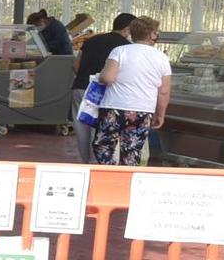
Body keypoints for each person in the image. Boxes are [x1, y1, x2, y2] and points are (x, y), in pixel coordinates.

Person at [94, 16, 171, 166]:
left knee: (103, 145)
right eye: (156, 32)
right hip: (143, 111)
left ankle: (109, 173)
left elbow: (108, 78)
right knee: (132, 150)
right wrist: (160, 114)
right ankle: (125, 179)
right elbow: (164, 91)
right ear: (151, 34)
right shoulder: (162, 58)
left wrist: (101, 76)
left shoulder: (119, 51)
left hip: (114, 108)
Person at [72, 13, 135, 164]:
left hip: (80, 88)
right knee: (99, 129)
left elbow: (75, 65)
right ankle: (97, 165)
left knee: (81, 128)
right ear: (127, 29)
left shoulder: (92, 40)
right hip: (104, 92)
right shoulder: (126, 48)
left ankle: (86, 163)